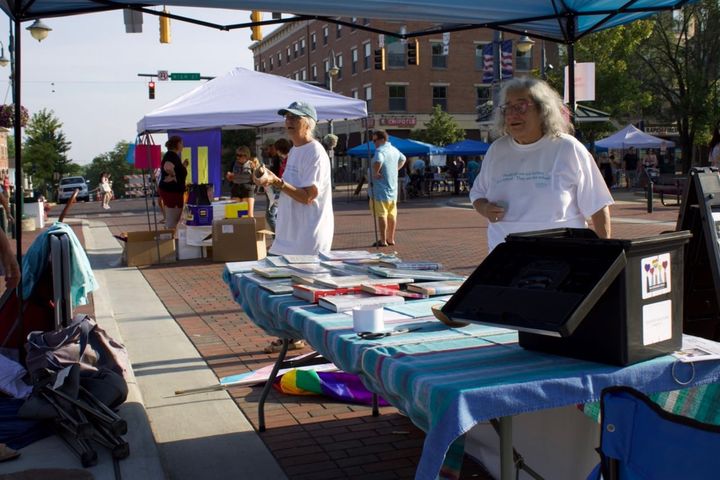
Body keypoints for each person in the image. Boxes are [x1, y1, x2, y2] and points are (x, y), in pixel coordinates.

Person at [469, 77, 613, 253]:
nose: (512, 114)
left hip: (562, 258)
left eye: (521, 106)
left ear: (542, 110)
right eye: (507, 108)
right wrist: (485, 208)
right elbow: (477, 193)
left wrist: (605, 255)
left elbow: (598, 206)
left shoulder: (568, 148)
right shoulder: (497, 150)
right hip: (505, 259)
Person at [254, 101, 333, 353]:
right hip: (289, 233)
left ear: (308, 122)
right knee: (279, 286)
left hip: (308, 234)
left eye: (295, 117)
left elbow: (308, 195)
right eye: (287, 117)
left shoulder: (315, 152)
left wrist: (276, 181)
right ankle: (290, 335)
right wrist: (268, 180)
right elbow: (289, 190)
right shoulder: (296, 151)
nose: (288, 121)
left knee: (302, 291)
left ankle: (303, 338)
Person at [368, 130, 407, 247]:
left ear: (382, 140)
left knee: (382, 214)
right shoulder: (394, 150)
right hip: (392, 189)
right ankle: (391, 238)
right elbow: (403, 158)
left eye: (375, 140)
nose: (374, 143)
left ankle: (383, 240)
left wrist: (376, 172)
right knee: (392, 214)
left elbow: (378, 160)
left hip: (380, 189)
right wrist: (396, 169)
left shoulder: (380, 150)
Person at [158, 135, 188, 229]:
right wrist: (173, 176)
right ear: (178, 144)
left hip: (172, 191)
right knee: (172, 220)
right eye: (182, 143)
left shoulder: (172, 156)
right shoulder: (171, 155)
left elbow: (173, 168)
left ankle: (168, 237)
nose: (183, 145)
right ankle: (167, 239)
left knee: (173, 219)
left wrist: (182, 167)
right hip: (172, 191)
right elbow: (168, 167)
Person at [265, 138, 292, 232]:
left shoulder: (288, 159)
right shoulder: (283, 159)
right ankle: (278, 238)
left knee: (271, 215)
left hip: (281, 189)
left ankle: (277, 238)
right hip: (279, 188)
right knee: (276, 215)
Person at [226, 145, 258, 217]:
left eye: (240, 155)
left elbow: (255, 179)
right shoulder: (234, 163)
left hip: (247, 189)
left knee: (249, 215)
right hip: (236, 188)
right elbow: (228, 176)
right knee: (234, 215)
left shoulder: (251, 164)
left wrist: (255, 169)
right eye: (237, 155)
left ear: (246, 155)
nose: (238, 157)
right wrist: (229, 176)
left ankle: (249, 228)